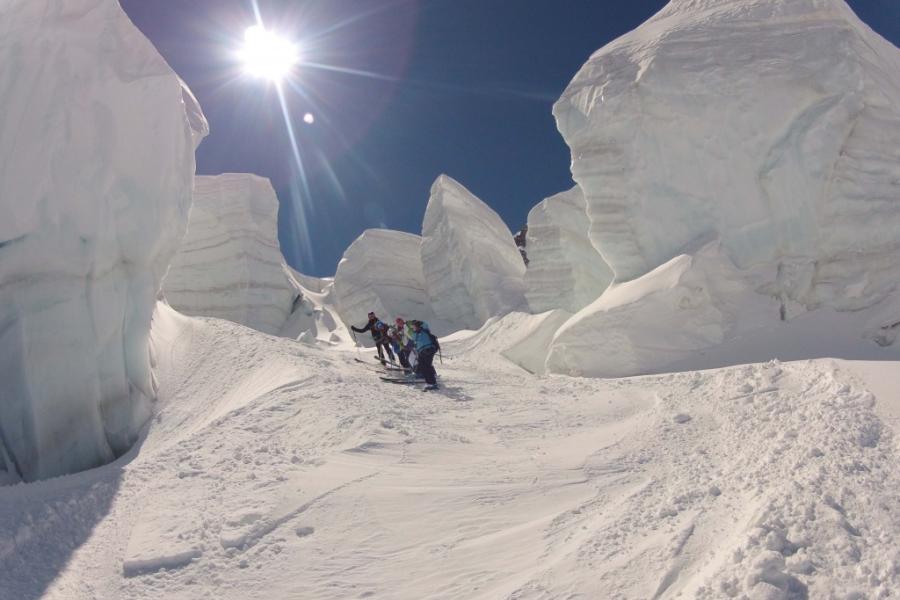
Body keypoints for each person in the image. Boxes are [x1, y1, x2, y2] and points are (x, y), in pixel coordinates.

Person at [409, 320, 439, 390]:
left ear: (418, 326)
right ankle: (431, 383)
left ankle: (431, 383)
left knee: (426, 367)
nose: (413, 328)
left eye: (414, 326)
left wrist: (419, 323)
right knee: (425, 367)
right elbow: (413, 339)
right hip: (424, 351)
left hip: (427, 350)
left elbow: (425, 324)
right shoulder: (418, 333)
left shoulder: (424, 330)